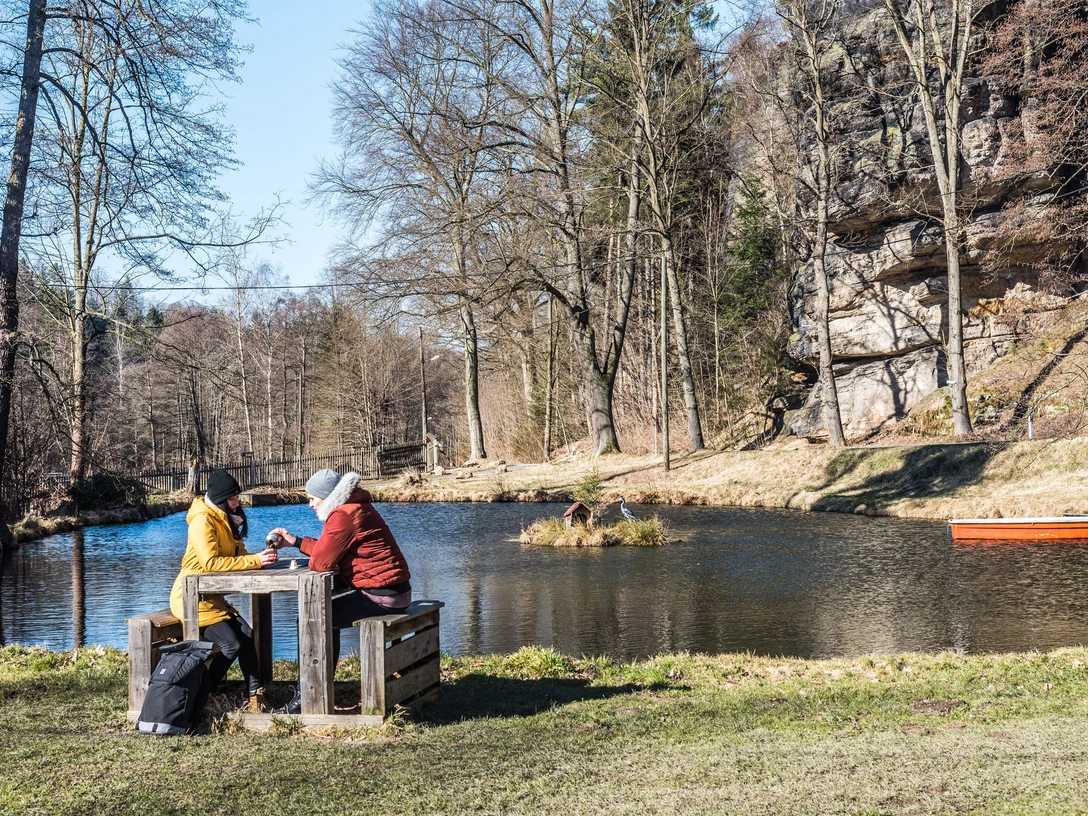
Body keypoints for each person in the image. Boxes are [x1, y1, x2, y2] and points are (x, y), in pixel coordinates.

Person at [269, 468, 411, 669]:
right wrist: (296, 542)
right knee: (326, 613)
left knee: (312, 618)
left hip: (382, 596)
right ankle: (324, 680)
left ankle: (310, 688)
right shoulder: (356, 506)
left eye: (312, 498)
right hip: (395, 591)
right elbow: (331, 549)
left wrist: (304, 547)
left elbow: (320, 563)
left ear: (327, 496)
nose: (310, 504)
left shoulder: (343, 515)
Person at [169, 470, 277, 713]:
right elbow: (211, 563)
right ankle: (203, 693)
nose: (238, 502)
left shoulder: (222, 518)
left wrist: (258, 555)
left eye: (237, 498)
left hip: (212, 598)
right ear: (220, 499)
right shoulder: (202, 520)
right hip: (191, 599)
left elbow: (237, 556)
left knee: (247, 635)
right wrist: (255, 562)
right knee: (231, 645)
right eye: (233, 499)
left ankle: (255, 694)